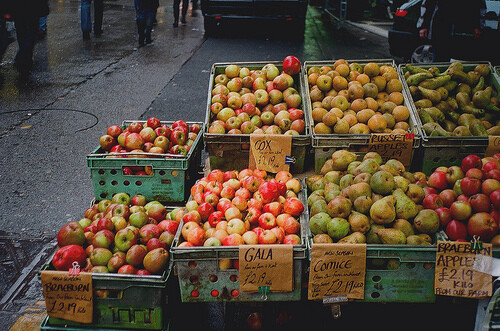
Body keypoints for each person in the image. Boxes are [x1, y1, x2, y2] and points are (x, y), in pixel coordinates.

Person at [417, 0, 485, 62]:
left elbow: (480, 6)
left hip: (464, 29)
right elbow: (427, 4)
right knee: (440, 59)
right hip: (441, 27)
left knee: (463, 61)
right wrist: (423, 25)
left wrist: (478, 27)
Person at [9, 0, 49, 75]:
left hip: (19, 7)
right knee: (30, 32)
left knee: (22, 31)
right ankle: (24, 58)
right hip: (32, 7)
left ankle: (24, 58)